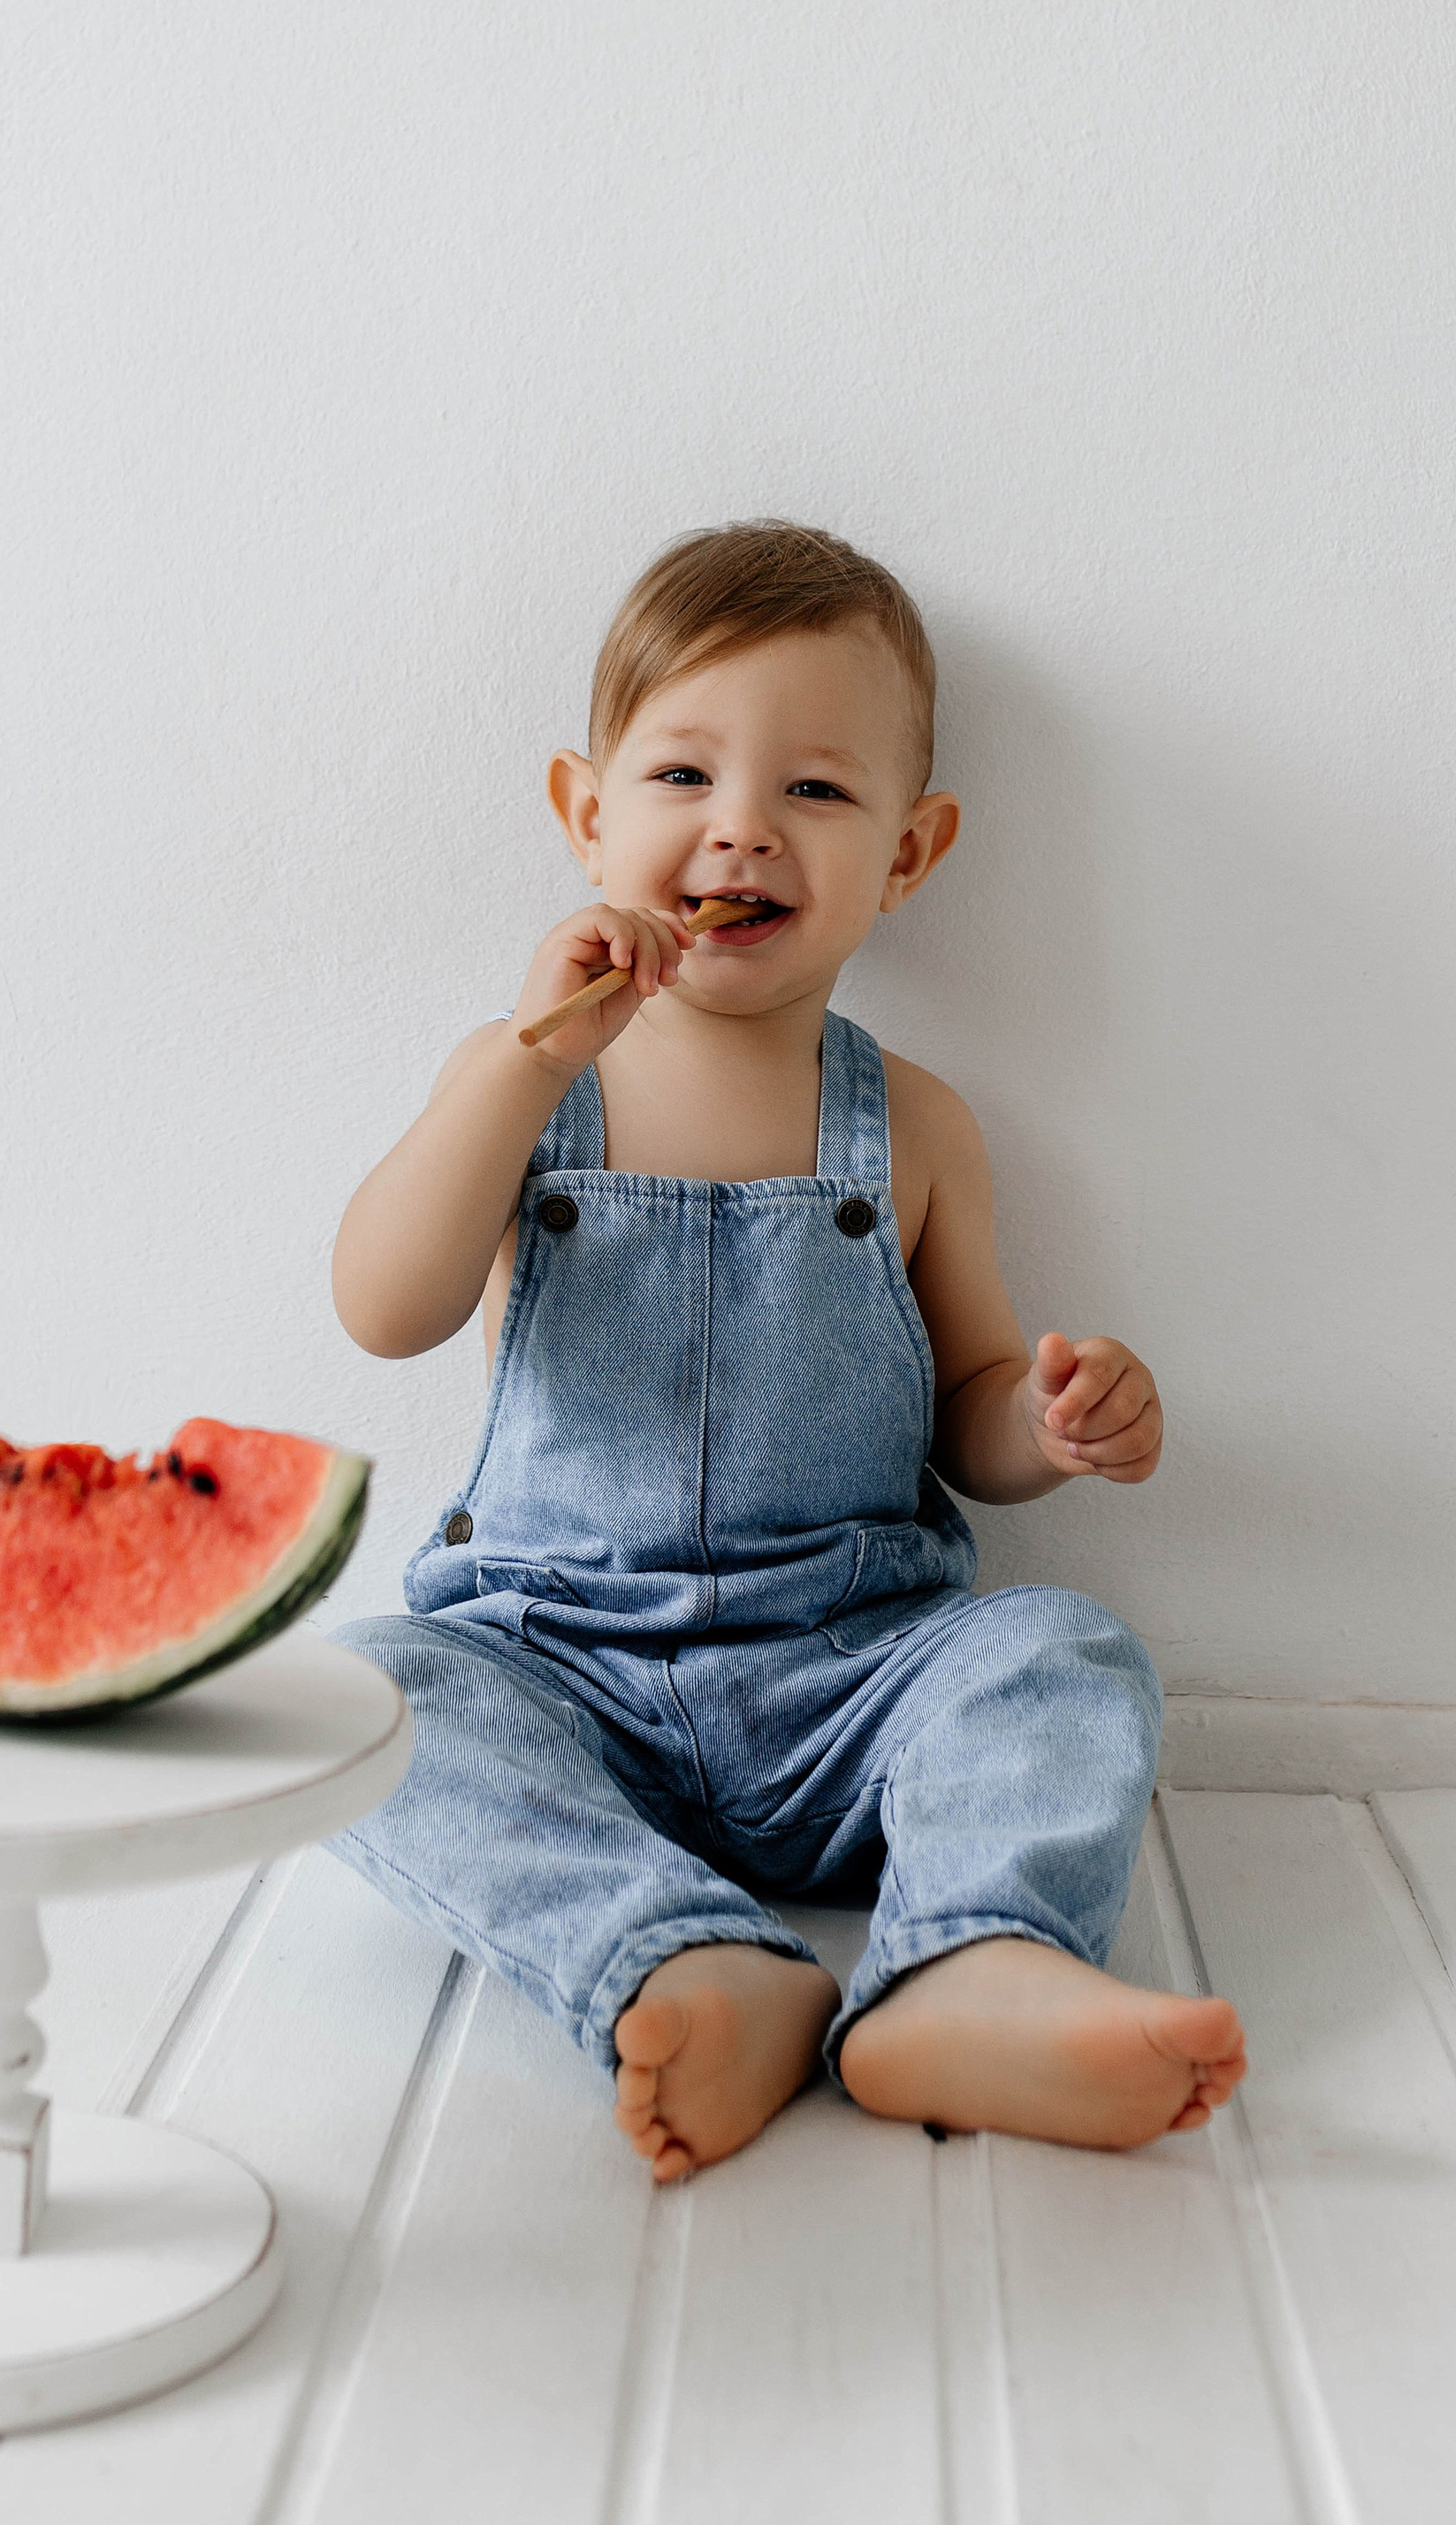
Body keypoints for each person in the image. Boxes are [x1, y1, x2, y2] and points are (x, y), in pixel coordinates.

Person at [328, 519, 1245, 2182]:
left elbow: (971, 1420)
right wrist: (516, 1072)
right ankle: (682, 1963)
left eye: (816, 792)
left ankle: (970, 1970)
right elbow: (386, 1305)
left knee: (1059, 1651)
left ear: (909, 852)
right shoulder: (531, 1083)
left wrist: (1053, 1420)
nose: (741, 826)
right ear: (584, 813)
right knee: (360, 1695)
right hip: (562, 1676)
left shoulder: (917, 1128)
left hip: (846, 1678)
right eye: (682, 774)